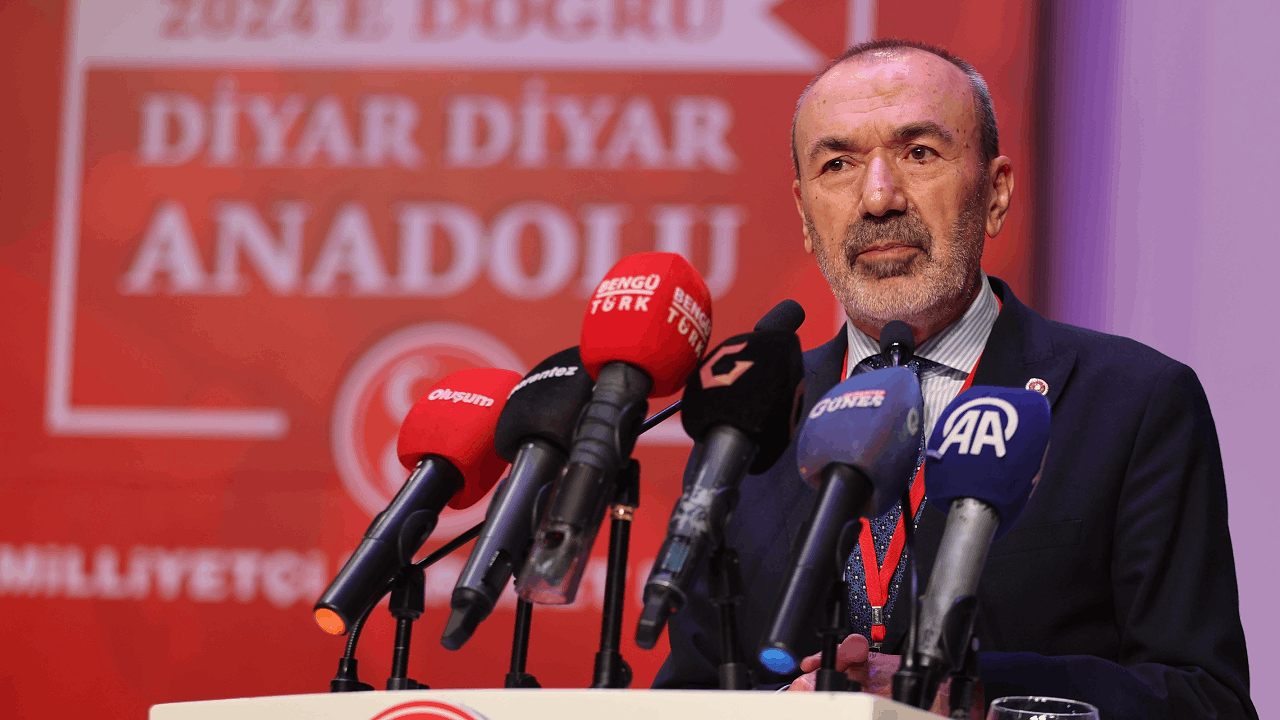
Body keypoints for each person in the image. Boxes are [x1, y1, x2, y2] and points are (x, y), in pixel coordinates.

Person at [652, 39, 1257, 720]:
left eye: (919, 153)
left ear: (996, 193)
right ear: (804, 214)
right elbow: (689, 694)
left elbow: (1207, 700)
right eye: (838, 164)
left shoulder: (1132, 403)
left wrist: (968, 693)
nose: (878, 198)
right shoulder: (748, 421)